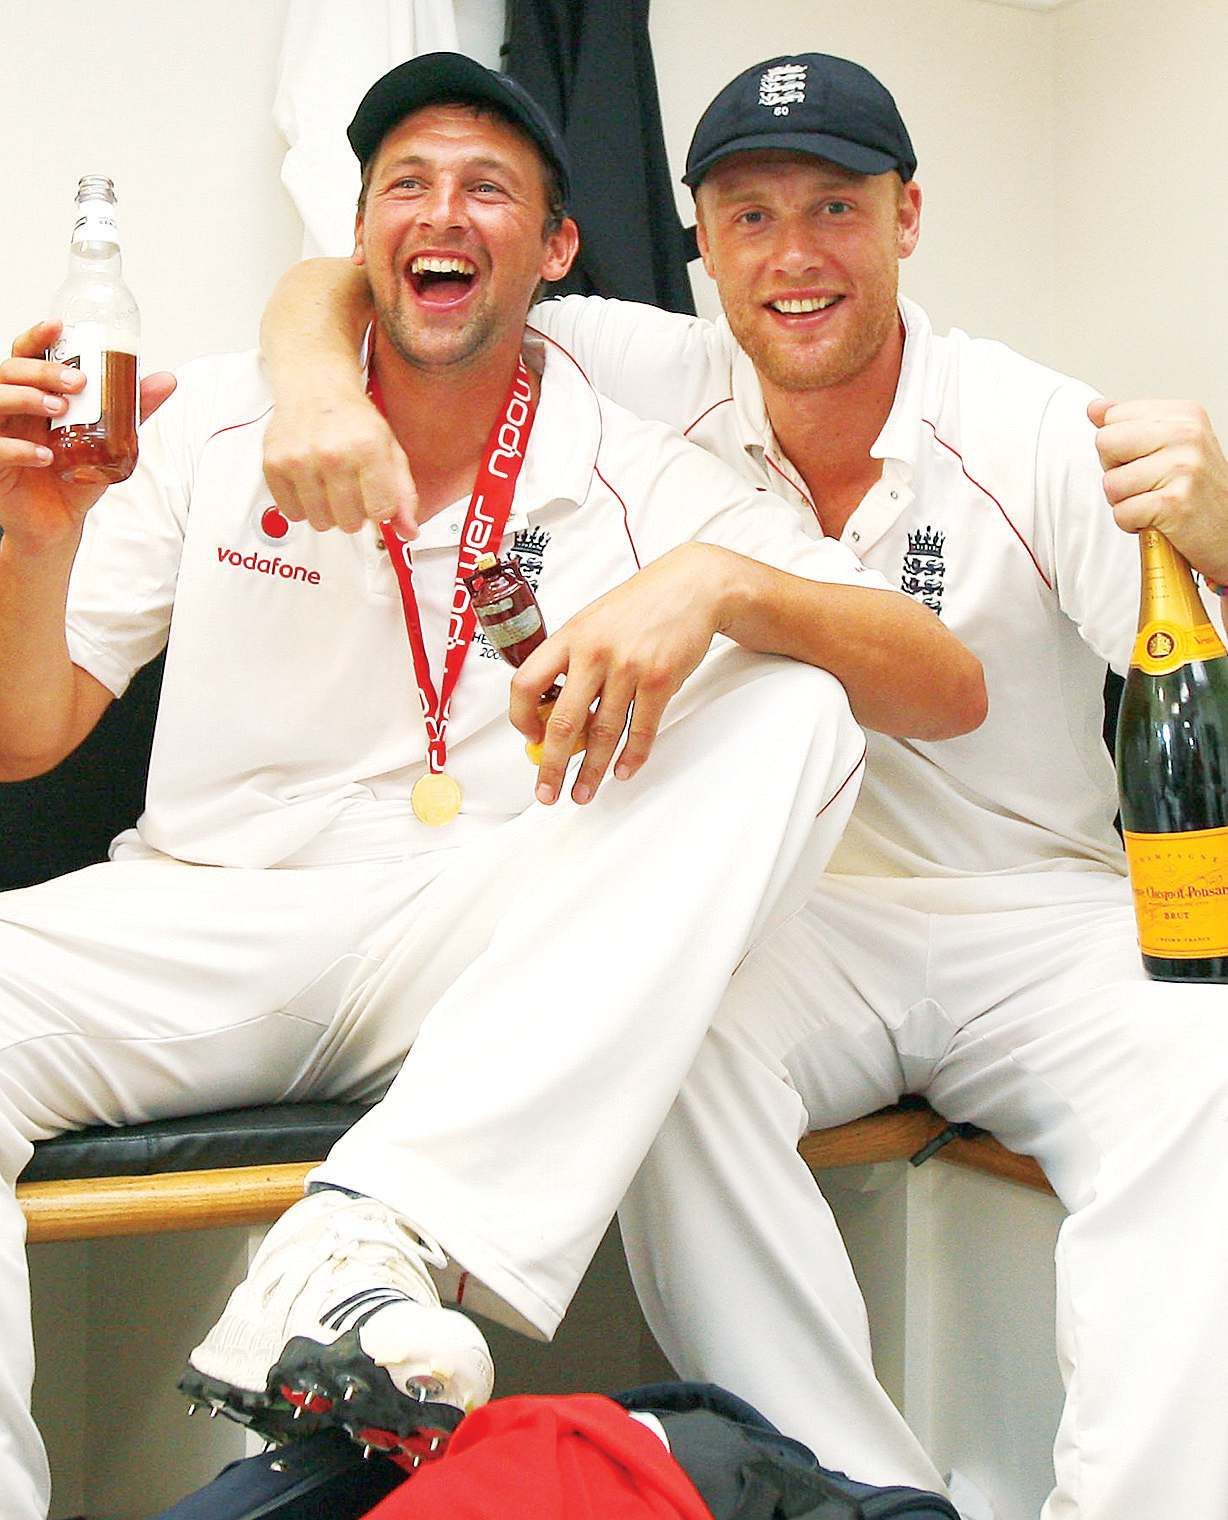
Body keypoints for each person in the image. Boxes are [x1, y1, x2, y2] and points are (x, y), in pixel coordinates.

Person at [0, 53, 984, 1520]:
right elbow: (25, 736)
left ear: (556, 248)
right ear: (360, 237)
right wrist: (33, 541)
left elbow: (940, 683)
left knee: (796, 705)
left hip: (484, 939)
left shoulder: (630, 457)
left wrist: (721, 585)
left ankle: (368, 1236)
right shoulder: (215, 423)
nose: (441, 214)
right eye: (405, 185)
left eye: (487, 189)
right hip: (208, 916)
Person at [256, 50, 1228, 1520]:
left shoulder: (1031, 425)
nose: (794, 256)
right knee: (667, 1039)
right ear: (700, 243)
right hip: (806, 924)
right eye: (751, 217)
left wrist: (1224, 533)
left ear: (908, 217)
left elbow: (1162, 672)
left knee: (1206, 1059)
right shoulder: (650, 369)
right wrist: (316, 391)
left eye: (835, 207)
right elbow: (368, 285)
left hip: (1040, 914)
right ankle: (859, 1496)